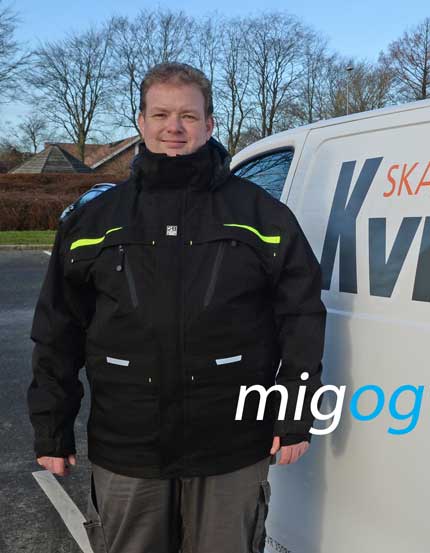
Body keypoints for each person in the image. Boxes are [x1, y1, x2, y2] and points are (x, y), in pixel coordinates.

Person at [27, 62, 326, 553]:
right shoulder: (92, 221)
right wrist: (51, 428)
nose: (174, 127)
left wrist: (295, 414)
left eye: (188, 115)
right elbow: (57, 330)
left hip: (231, 443)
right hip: (128, 445)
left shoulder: (263, 216)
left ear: (209, 124)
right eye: (161, 114)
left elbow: (302, 319)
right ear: (141, 122)